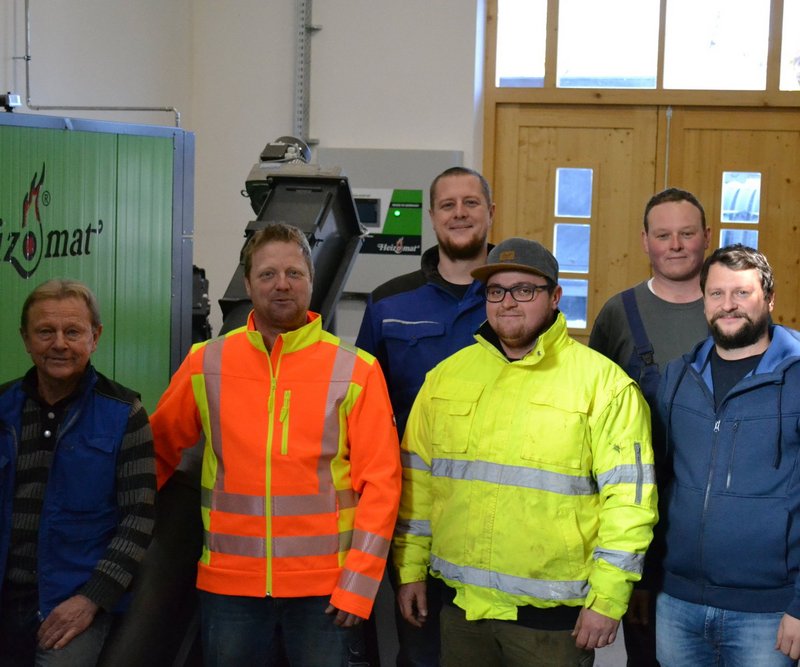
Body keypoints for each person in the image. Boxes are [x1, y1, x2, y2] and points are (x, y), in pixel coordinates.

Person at [394, 237, 658, 667]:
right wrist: (409, 571)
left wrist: (608, 599)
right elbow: (417, 487)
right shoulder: (445, 379)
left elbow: (630, 506)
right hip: (462, 612)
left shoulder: (604, 386)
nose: (508, 302)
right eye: (496, 291)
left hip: (552, 625)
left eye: (524, 290)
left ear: (554, 297)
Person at [150, 222, 402, 667]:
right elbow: (154, 453)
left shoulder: (355, 370)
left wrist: (358, 585)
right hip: (230, 589)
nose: (281, 284)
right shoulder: (205, 363)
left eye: (294, 273)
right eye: (267, 274)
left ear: (311, 279)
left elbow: (381, 485)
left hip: (326, 593)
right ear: (248, 283)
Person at [356, 165, 494, 666]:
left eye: (471, 203)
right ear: (433, 219)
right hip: (414, 507)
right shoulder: (389, 302)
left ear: (491, 214)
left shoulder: (517, 297)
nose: (460, 213)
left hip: (501, 510)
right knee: (420, 648)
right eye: (448, 205)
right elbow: (361, 410)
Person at [656, 245, 800, 666]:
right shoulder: (677, 376)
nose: (728, 306)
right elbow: (657, 484)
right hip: (679, 602)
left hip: (770, 612)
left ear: (769, 299)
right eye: (716, 294)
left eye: (742, 293)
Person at [0, 279, 157, 666]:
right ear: (25, 338)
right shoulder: (2, 409)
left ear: (95, 336)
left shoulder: (125, 414)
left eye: (73, 332)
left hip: (73, 602)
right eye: (45, 331)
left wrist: (91, 599)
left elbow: (137, 519)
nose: (59, 343)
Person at [588, 187, 710, 665]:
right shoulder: (621, 313)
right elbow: (592, 422)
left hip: (714, 526)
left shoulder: (732, 311)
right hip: (645, 529)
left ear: (706, 237)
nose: (675, 245)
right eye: (663, 235)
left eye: (686, 234)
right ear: (645, 241)